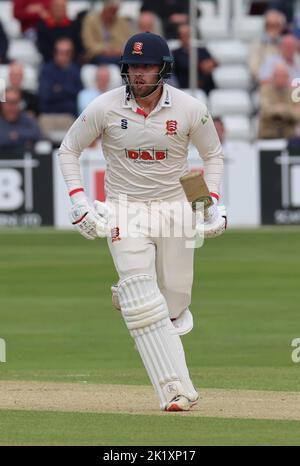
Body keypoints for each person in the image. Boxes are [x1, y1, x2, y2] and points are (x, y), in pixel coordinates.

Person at [58, 32, 226, 412]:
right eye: (133, 66)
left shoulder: (189, 108)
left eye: (147, 66)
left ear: (163, 69)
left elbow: (213, 156)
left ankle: (132, 297)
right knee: (142, 299)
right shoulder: (104, 107)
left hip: (174, 210)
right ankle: (176, 391)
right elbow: (68, 149)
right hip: (125, 210)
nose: (139, 73)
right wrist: (79, 202)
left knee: (174, 304)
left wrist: (211, 205)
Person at [81, 0, 130, 65]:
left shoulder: (121, 21)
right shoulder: (91, 20)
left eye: (115, 10)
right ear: (105, 7)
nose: (113, 12)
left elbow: (126, 41)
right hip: (96, 56)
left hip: (117, 56)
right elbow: (89, 44)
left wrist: (115, 50)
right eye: (111, 9)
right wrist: (106, 50)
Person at [173, 23, 217, 94]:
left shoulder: (202, 50)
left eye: (188, 34)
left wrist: (210, 64)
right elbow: (182, 65)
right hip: (185, 88)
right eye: (184, 35)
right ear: (179, 37)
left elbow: (214, 63)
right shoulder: (175, 53)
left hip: (206, 88)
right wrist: (200, 65)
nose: (187, 37)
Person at [259, 62, 300, 138]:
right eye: (277, 75)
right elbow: (266, 111)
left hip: (289, 136)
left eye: (283, 76)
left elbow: (298, 115)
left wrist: (281, 109)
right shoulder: (265, 90)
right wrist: (289, 111)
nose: (280, 78)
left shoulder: (294, 92)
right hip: (268, 135)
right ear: (273, 76)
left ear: (288, 77)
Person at [248, 9, 287, 80]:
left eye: (276, 25)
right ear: (265, 27)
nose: (273, 29)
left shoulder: (287, 43)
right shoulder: (257, 44)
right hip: (265, 83)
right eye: (269, 25)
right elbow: (254, 69)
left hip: (286, 83)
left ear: (281, 27)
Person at [0, 87, 42, 152]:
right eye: (8, 102)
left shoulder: (27, 118)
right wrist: (25, 140)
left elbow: (38, 135)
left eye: (15, 102)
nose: (11, 107)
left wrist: (18, 134)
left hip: (25, 159)